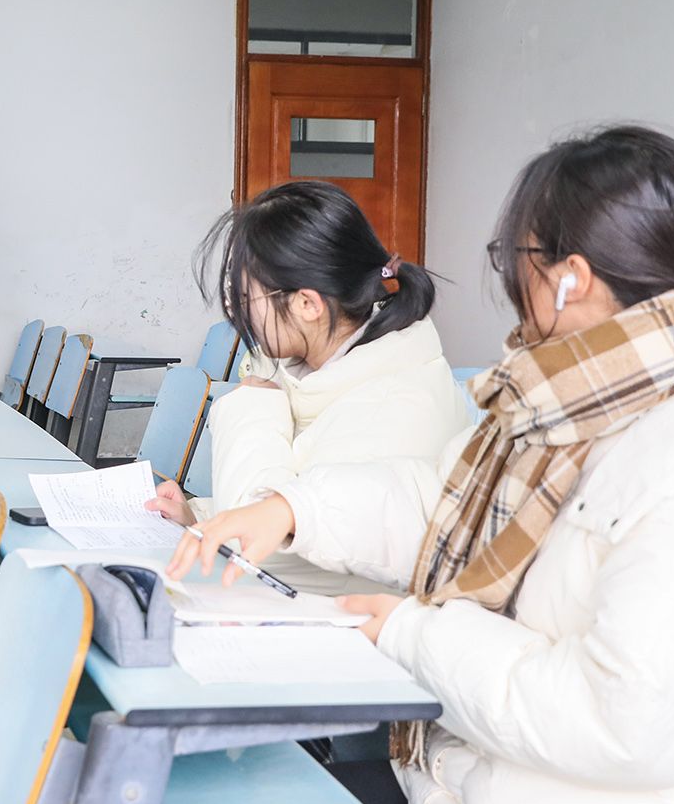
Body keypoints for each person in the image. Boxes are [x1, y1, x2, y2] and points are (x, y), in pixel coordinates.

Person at [169, 126, 674, 804]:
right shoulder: (577, 392)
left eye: (512, 258)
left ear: (570, 278)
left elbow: (623, 723)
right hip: (461, 781)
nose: (509, 285)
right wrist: (293, 508)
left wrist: (412, 635)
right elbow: (445, 500)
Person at [147, 181, 467, 594]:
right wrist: (201, 517)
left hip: (347, 622)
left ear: (308, 305)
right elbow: (296, 503)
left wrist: (252, 410)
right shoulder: (325, 364)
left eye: (244, 297)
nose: (236, 312)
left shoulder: (396, 404)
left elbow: (268, 552)